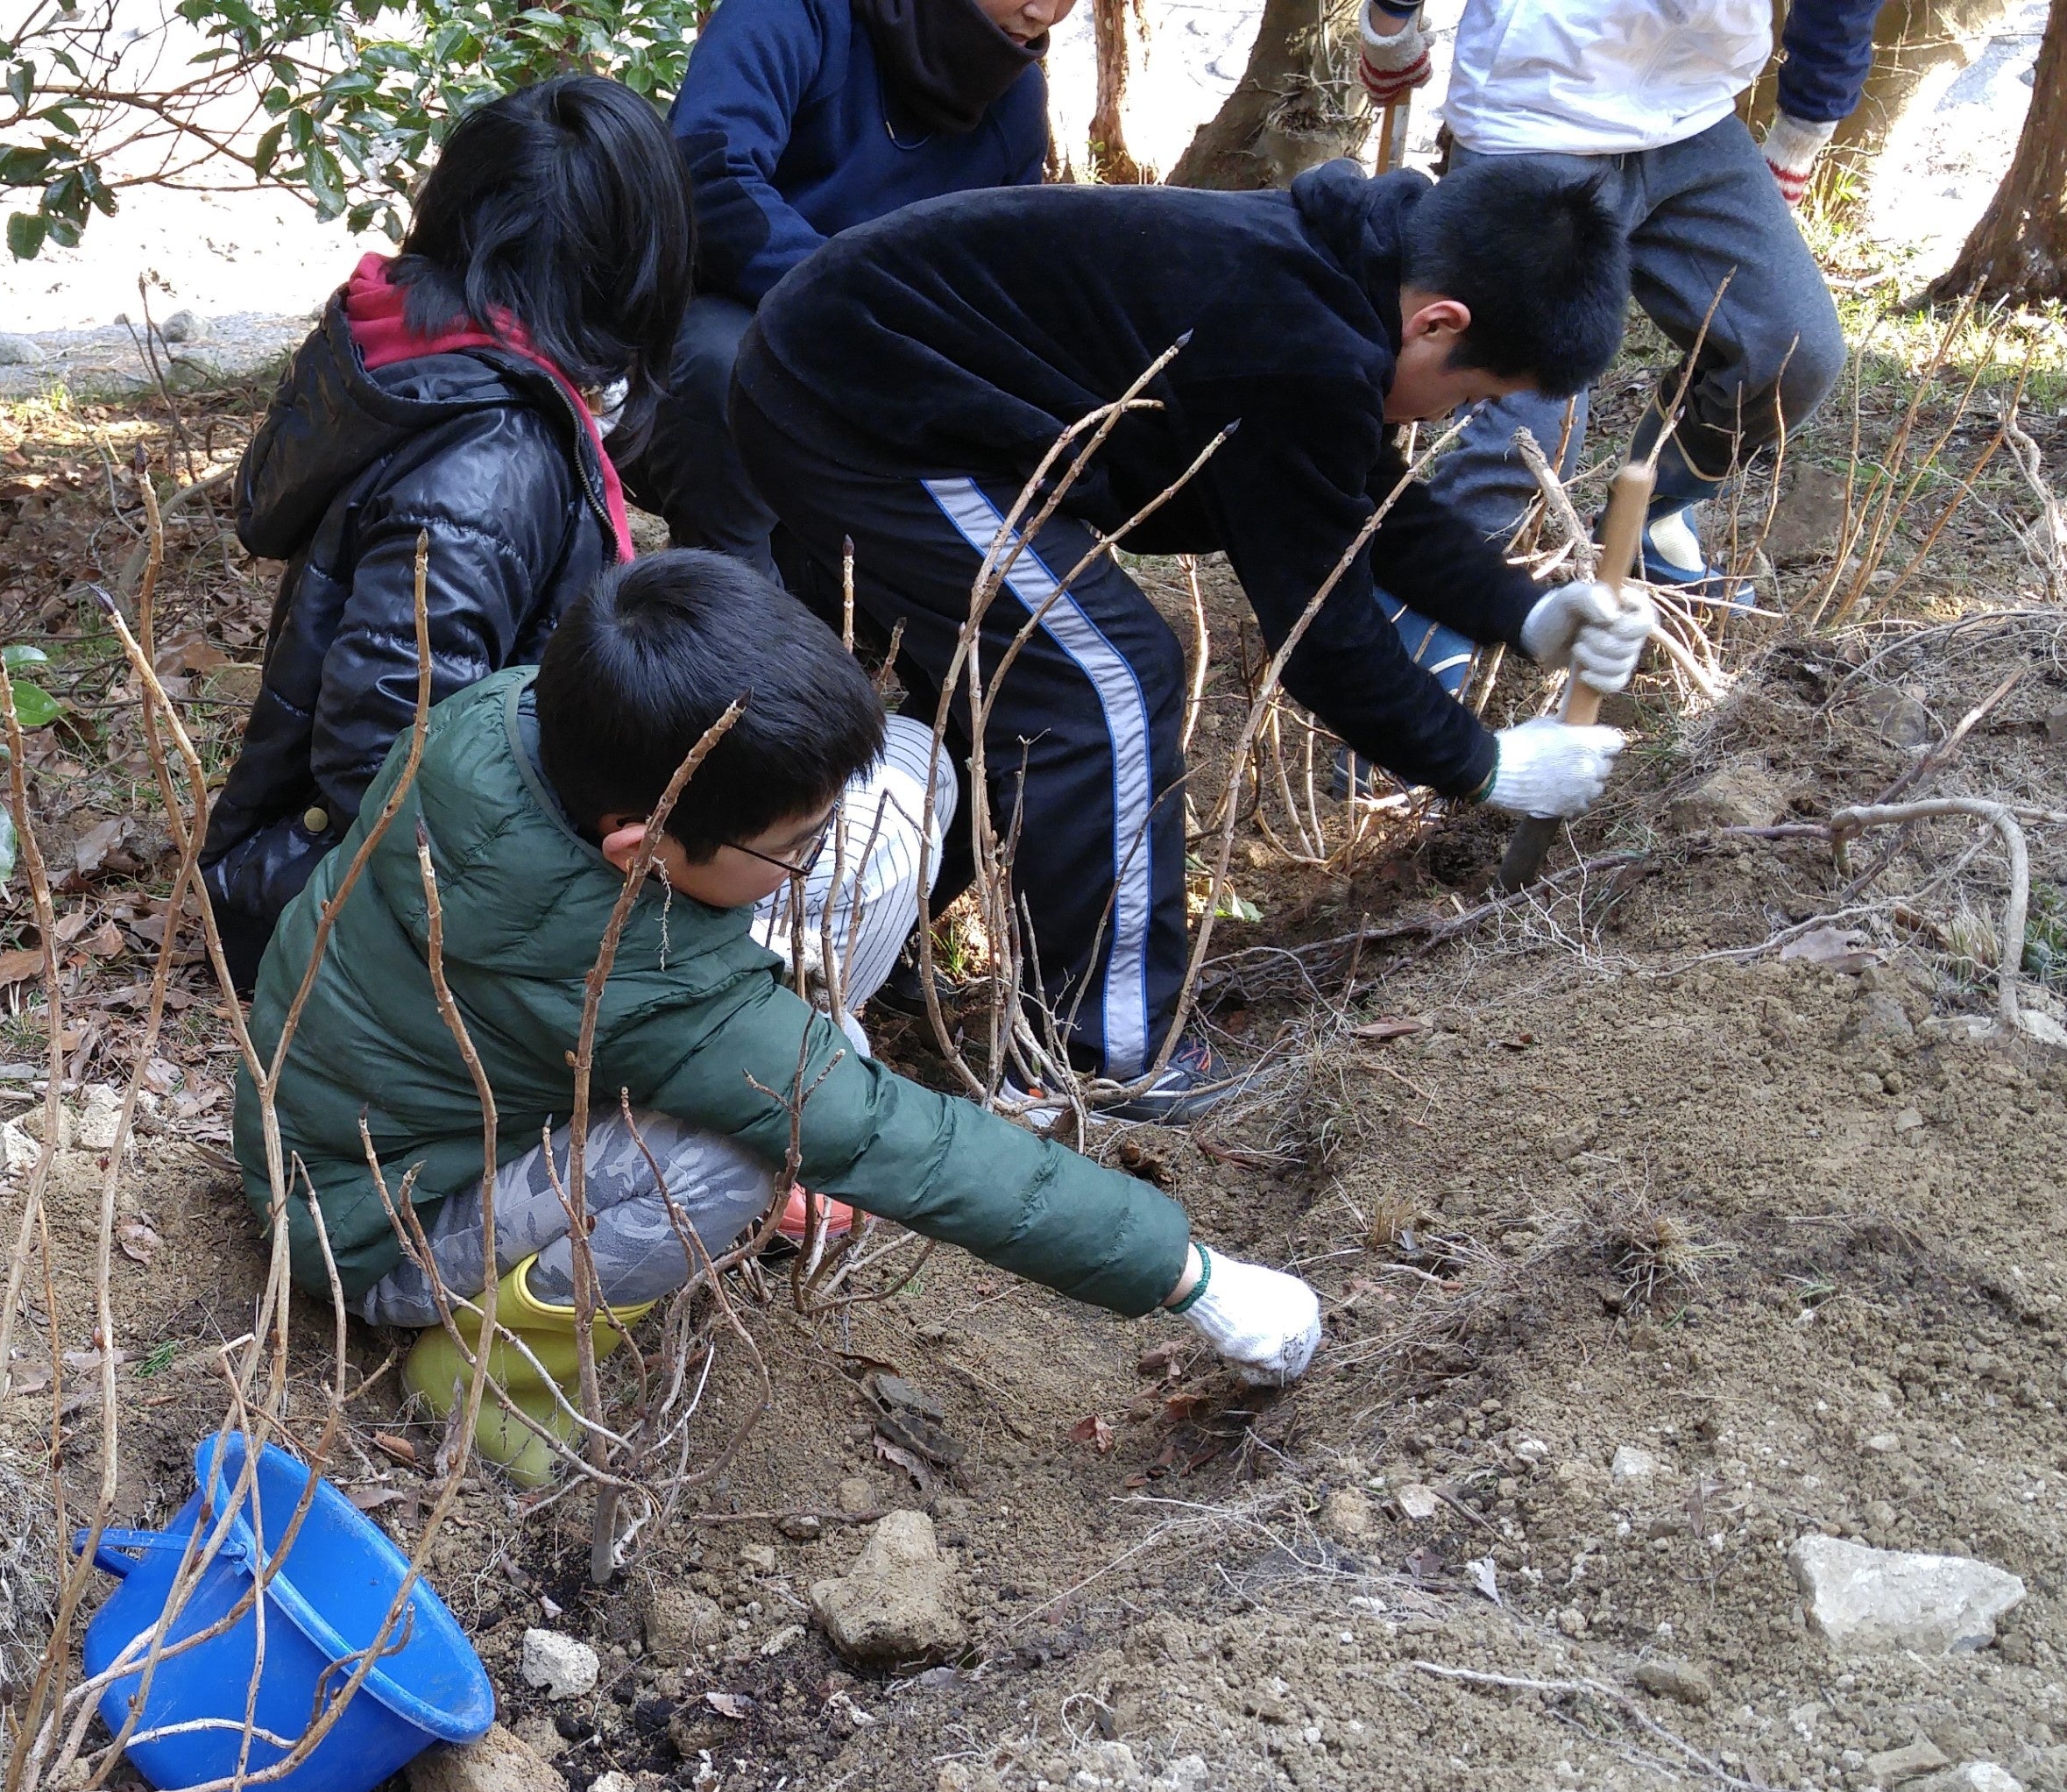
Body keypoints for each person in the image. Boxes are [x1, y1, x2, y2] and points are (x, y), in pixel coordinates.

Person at [233, 551, 1323, 1484]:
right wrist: (1189, 1276)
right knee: (733, 1156)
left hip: (335, 1114)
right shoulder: (642, 981)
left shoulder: (504, 720)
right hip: (368, 1228)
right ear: (639, 850)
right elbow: (892, 1139)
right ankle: (489, 1380)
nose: (814, 856)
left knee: (893, 822)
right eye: (795, 847)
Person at [728, 157, 1652, 1116]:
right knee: (1108, 679)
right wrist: (1484, 765)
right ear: (1438, 324)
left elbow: (1355, 502)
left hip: (855, 371)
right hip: (866, 411)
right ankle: (1104, 1058)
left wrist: (1521, 612)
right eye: (1468, 397)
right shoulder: (1300, 341)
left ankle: (854, 935)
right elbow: (1324, 638)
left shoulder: (1350, 278)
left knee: (1019, 691)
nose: (1453, 414)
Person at [197, 75, 693, 981]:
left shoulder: (419, 355)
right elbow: (384, 766)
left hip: (370, 879)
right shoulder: (493, 460)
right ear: (634, 265)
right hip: (356, 924)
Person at [1357, 0, 1873, 689]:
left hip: (1694, 109)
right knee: (1528, 433)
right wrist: (1389, 20)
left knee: (1789, 352)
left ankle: (1644, 521)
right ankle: (1412, 628)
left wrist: (1803, 126)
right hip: (1536, 98)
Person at [621, 0, 1071, 570]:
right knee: (722, 360)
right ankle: (726, 589)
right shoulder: (792, 14)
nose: (1043, 11)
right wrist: (866, 305)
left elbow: (1001, 282)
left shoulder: (1018, 99)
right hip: (723, 344)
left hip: (889, 378)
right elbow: (707, 177)